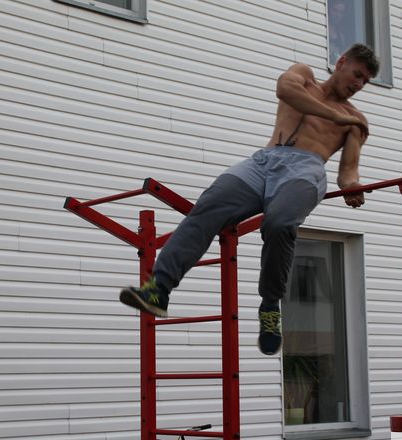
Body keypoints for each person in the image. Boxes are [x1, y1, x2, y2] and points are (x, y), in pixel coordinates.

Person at [120, 44, 380, 355]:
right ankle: (159, 289)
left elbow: (347, 172)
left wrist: (353, 187)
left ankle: (270, 307)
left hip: (305, 169)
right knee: (209, 206)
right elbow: (285, 90)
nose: (358, 84)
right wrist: (334, 115)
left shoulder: (355, 120)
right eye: (357, 74)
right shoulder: (304, 76)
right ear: (341, 62)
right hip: (263, 161)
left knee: (280, 222)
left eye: (365, 81)